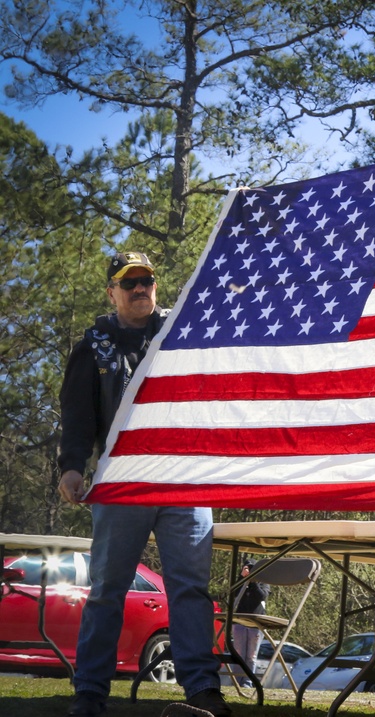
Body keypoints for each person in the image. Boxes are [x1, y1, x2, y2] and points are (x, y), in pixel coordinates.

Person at [57, 252, 232, 717]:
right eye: (129, 282)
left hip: (184, 479)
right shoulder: (93, 345)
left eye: (147, 281)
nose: (140, 289)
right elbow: (77, 416)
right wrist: (71, 466)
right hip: (122, 482)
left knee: (190, 589)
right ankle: (90, 692)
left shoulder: (186, 331)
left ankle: (202, 690)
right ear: (111, 291)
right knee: (108, 589)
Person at [231, 559, 270, 687]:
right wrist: (242, 578)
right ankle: (237, 682)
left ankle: (247, 683)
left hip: (256, 624)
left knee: (251, 656)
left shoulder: (264, 582)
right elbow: (234, 593)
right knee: (238, 654)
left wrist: (253, 582)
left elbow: (261, 596)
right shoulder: (240, 581)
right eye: (248, 568)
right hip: (239, 622)